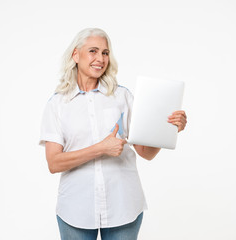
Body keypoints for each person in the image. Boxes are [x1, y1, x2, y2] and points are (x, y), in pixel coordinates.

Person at [39, 28, 187, 240]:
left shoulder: (122, 97)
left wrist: (168, 128)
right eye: (93, 51)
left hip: (123, 206)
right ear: (75, 55)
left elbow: (146, 153)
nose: (100, 58)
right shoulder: (57, 105)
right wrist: (100, 148)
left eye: (105, 53)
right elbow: (54, 163)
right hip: (75, 208)